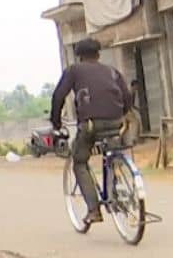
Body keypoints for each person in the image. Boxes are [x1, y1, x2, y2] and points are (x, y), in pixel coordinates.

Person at [49, 38, 134, 225]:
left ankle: (94, 210)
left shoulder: (74, 71)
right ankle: (116, 190)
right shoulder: (112, 71)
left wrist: (55, 123)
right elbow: (127, 97)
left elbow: (58, 96)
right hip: (116, 123)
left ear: (79, 56)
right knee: (112, 153)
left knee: (79, 161)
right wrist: (123, 114)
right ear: (98, 54)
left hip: (90, 124)